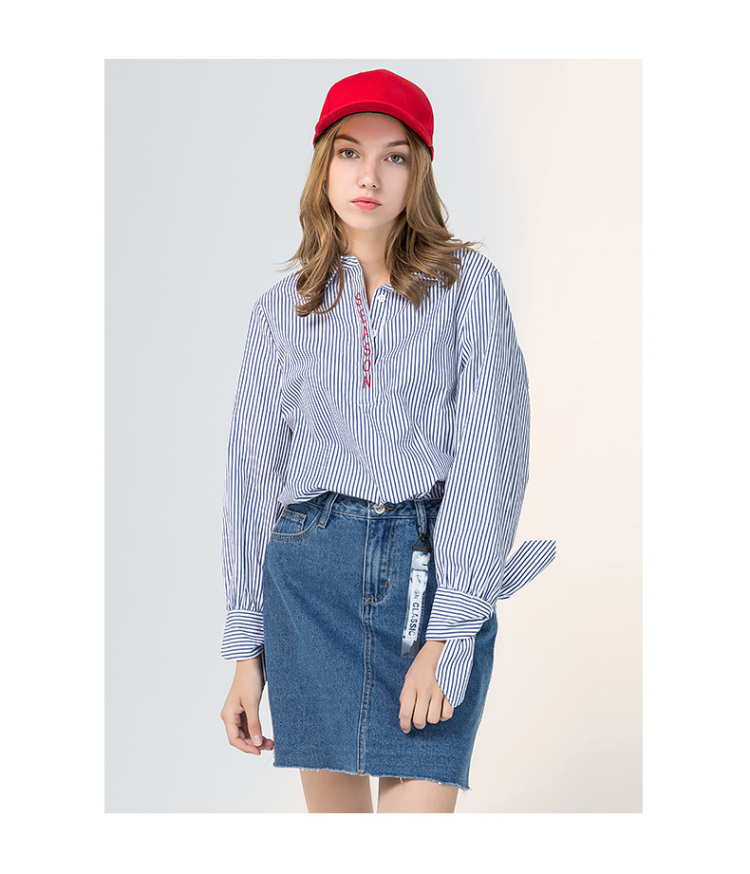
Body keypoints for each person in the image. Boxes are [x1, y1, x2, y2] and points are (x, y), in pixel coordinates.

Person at [219, 68, 556, 814]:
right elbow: (251, 482)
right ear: (323, 166)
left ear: (418, 173)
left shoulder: (469, 286)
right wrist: (246, 654)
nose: (368, 176)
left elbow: (492, 458)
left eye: (393, 156)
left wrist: (450, 633)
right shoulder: (279, 311)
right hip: (310, 583)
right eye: (349, 152)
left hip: (428, 573)